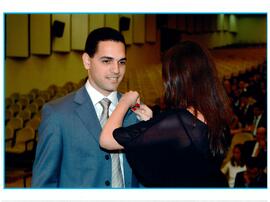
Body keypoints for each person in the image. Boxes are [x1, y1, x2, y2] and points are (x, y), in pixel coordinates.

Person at [100, 41, 231, 187]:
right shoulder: (217, 115)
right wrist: (152, 124)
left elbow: (107, 139)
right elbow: (186, 158)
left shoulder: (178, 120)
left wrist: (124, 102)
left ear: (175, 79)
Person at [31, 27, 139, 188]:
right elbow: (43, 185)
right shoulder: (57, 114)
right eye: (106, 61)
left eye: (121, 62)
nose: (116, 70)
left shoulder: (135, 112)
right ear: (87, 61)